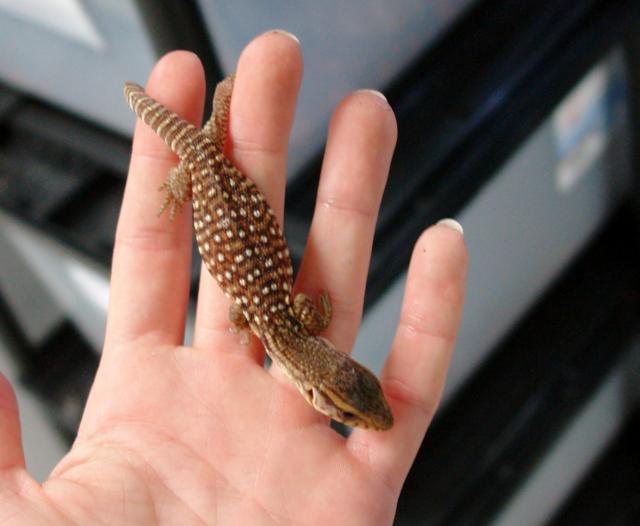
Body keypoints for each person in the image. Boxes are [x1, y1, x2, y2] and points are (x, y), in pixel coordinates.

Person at [0, 31, 467, 524]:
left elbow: (288, 310)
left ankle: (216, 110)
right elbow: (246, 312)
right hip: (207, 175)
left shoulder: (299, 319)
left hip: (213, 175)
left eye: (350, 413)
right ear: (315, 390)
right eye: (348, 415)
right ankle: (208, 114)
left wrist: (313, 312)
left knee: (206, 146)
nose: (353, 421)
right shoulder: (275, 328)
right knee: (199, 147)